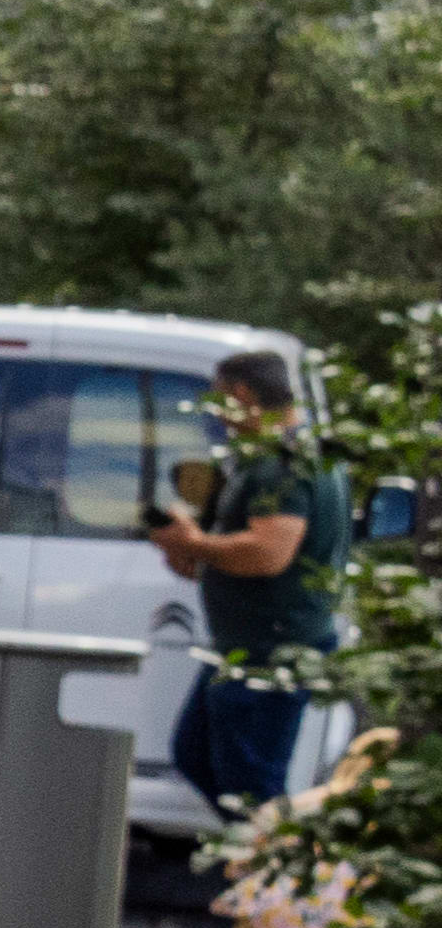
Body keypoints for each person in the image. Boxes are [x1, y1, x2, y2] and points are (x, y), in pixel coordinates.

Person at [158, 342, 345, 822]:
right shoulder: (290, 454)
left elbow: (268, 553)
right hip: (246, 643)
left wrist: (195, 542)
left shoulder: (282, 462)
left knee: (250, 786)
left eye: (219, 399)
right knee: (197, 755)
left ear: (242, 394)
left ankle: (270, 861)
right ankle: (254, 855)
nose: (217, 414)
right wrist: (193, 550)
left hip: (270, 649)